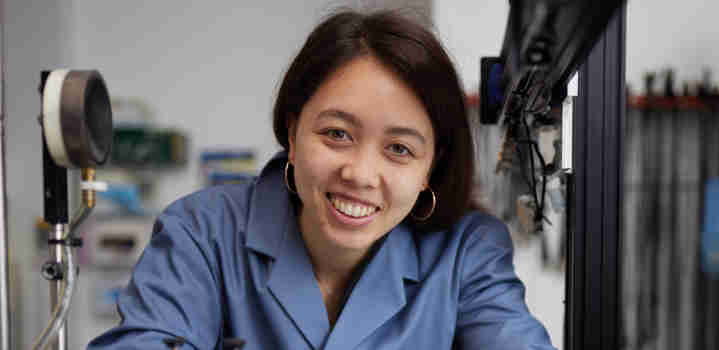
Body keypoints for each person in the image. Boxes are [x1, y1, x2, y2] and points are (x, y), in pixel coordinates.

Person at [87, 9, 557, 350]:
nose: (358, 173)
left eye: (399, 149)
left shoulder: (466, 252)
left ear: (430, 168)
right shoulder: (203, 231)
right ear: (292, 133)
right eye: (337, 134)